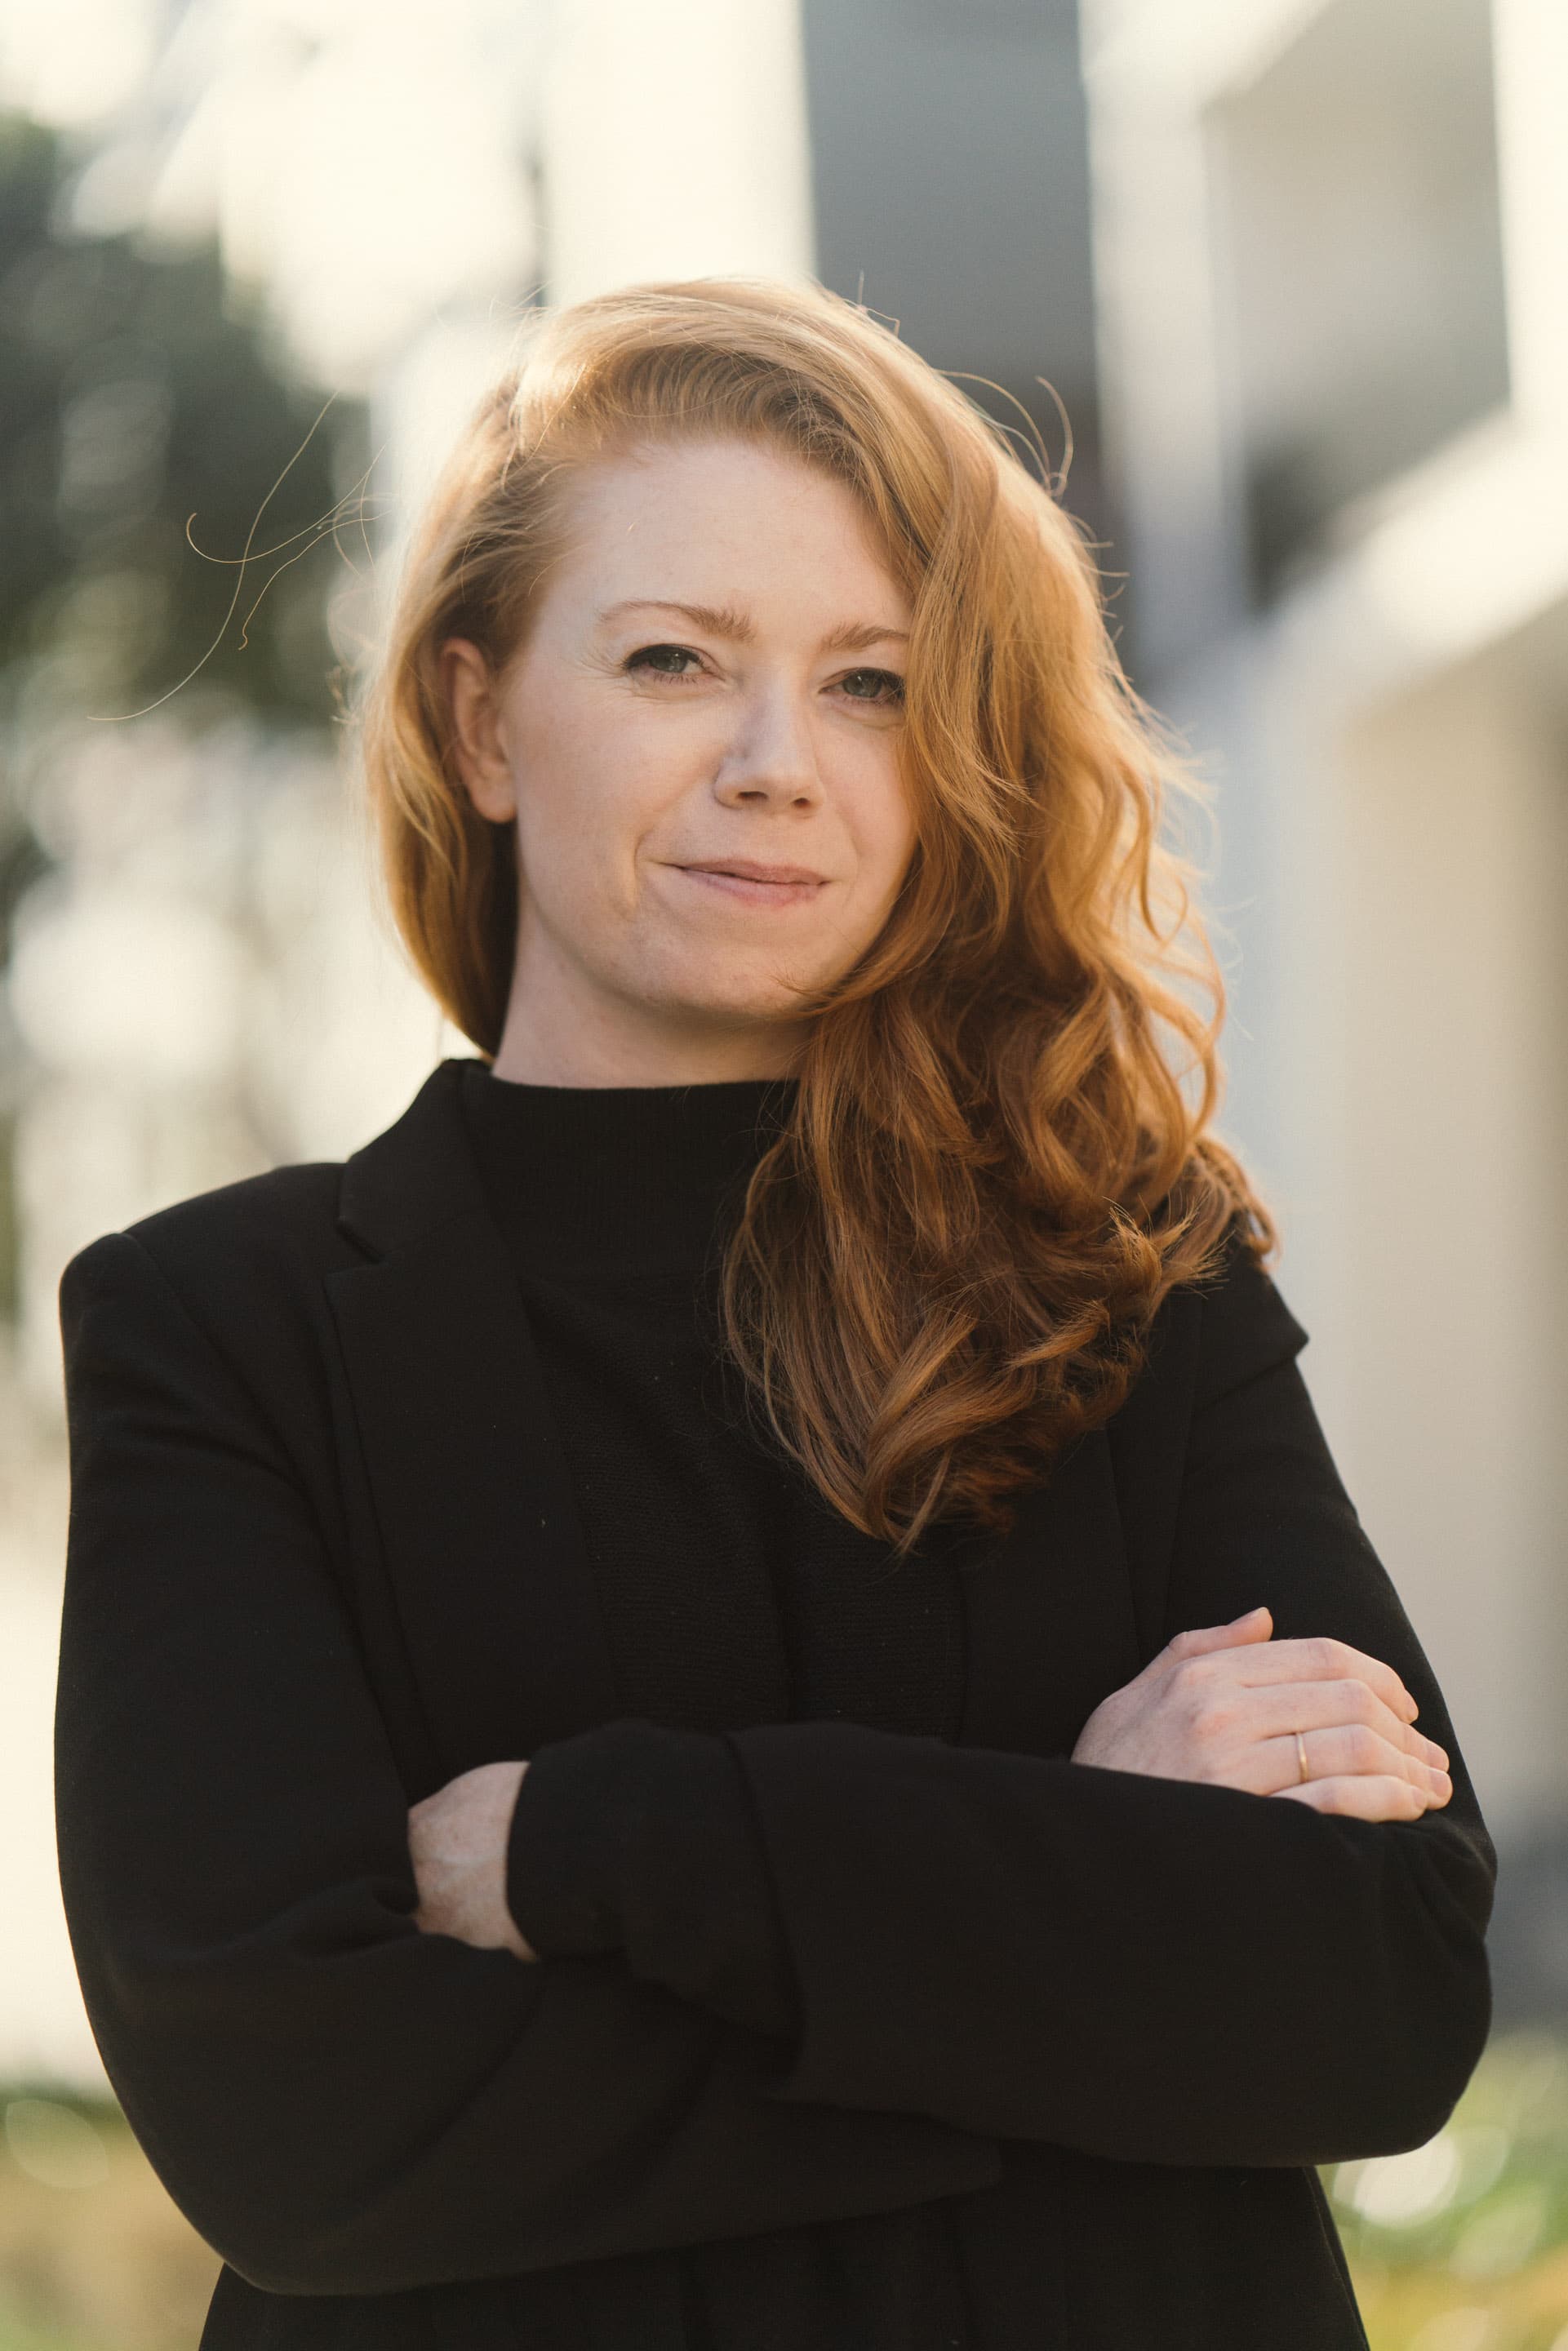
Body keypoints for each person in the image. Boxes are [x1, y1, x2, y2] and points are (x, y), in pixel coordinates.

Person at [53, 278, 1493, 2351]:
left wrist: (608, 1840)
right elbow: (307, 2139)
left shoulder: (1125, 1270)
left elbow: (1375, 2001)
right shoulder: (225, 1329)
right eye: (674, 660)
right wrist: (1080, 1886)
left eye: (873, 685)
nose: (776, 767)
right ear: (478, 721)